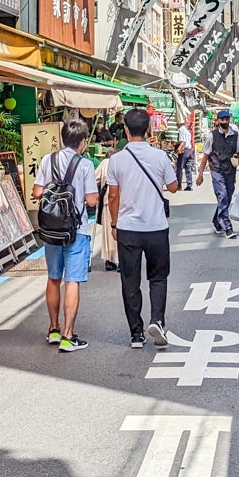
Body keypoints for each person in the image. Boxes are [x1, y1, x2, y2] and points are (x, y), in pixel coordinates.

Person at [104, 108, 180, 349]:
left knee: (130, 280)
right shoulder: (159, 157)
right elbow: (174, 187)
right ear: (148, 130)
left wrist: (115, 224)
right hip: (157, 227)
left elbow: (113, 196)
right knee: (158, 277)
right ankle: (157, 319)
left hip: (128, 228)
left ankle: (136, 334)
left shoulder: (115, 160)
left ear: (125, 130)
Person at [32, 118, 100, 353]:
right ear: (82, 142)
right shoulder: (85, 165)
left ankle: (53, 329)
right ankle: (68, 336)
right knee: (72, 280)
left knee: (53, 278)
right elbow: (91, 199)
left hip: (51, 230)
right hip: (76, 230)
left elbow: (37, 191)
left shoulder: (47, 160)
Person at [196, 109, 239, 237]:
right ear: (218, 121)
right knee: (222, 196)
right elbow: (205, 155)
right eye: (222, 119)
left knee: (228, 197)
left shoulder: (235, 135)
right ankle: (227, 227)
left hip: (230, 171)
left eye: (227, 119)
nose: (225, 122)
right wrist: (200, 174)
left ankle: (217, 221)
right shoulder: (212, 136)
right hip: (217, 171)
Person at [175, 120, 196, 190]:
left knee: (179, 168)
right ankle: (189, 185)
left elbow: (183, 141)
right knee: (188, 168)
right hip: (189, 151)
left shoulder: (181, 130)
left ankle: (179, 185)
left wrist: (179, 149)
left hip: (184, 151)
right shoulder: (187, 131)